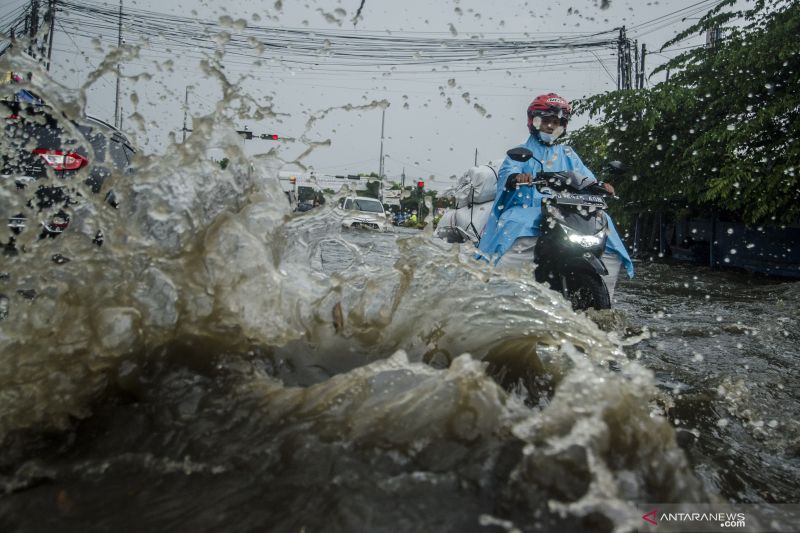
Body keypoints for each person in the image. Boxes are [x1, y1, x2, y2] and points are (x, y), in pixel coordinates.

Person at [476, 92, 634, 299]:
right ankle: (504, 295)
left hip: (566, 210)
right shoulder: (521, 152)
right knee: (516, 227)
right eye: (545, 121)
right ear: (533, 122)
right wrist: (517, 178)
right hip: (528, 209)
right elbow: (508, 174)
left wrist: (600, 185)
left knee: (607, 229)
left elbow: (585, 178)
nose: (551, 126)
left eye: (557, 122)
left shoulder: (568, 154)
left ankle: (605, 299)